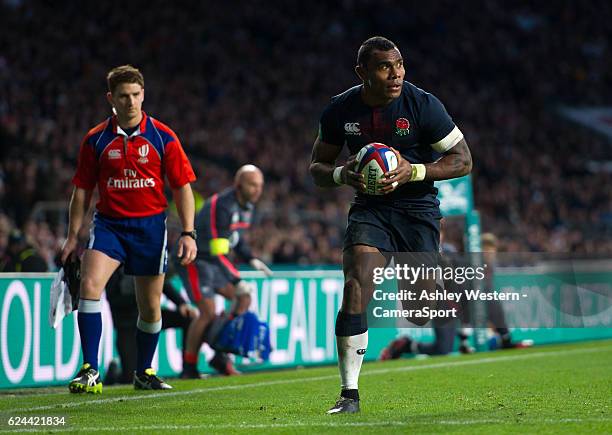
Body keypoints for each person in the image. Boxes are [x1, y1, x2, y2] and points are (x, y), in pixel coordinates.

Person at [309, 36, 472, 414]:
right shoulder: (339, 110)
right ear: (362, 72)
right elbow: (316, 168)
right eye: (385, 67)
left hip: (418, 209)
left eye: (399, 65)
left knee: (419, 311)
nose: (396, 73)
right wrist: (340, 175)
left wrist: (412, 170)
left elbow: (463, 160)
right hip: (371, 209)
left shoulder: (422, 104)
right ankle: (349, 394)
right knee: (355, 284)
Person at [60, 65, 197, 394]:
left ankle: (144, 371)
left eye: (136, 95)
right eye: (124, 96)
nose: (131, 102)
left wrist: (189, 232)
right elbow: (82, 191)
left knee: (150, 308)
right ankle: (90, 369)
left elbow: (182, 187)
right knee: (89, 286)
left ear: (143, 94)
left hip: (150, 229)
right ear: (111, 98)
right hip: (109, 227)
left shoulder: (164, 137)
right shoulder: (96, 140)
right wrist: (71, 237)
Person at [180, 165, 272, 378]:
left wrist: (251, 259)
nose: (257, 190)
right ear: (238, 185)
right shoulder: (223, 205)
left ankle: (220, 354)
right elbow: (217, 249)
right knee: (208, 312)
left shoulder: (247, 206)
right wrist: (236, 278)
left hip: (214, 262)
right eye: (252, 185)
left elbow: (235, 240)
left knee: (244, 298)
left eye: (260, 185)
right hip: (196, 259)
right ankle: (189, 367)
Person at [104, 265, 198, 385]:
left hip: (147, 317)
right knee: (130, 378)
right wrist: (142, 295)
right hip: (127, 326)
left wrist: (181, 304)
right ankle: (114, 374)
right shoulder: (113, 267)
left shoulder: (139, 261)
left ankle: (188, 370)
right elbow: (114, 299)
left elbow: (160, 284)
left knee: (187, 318)